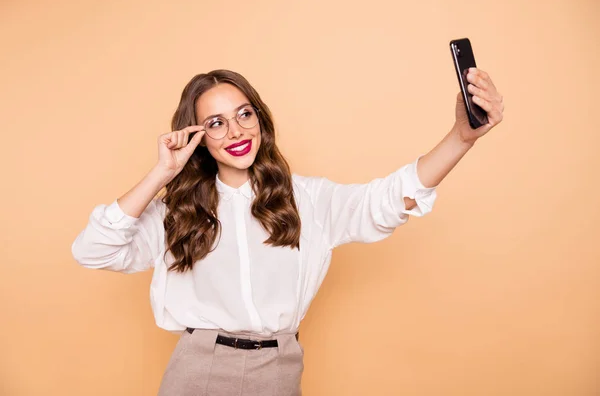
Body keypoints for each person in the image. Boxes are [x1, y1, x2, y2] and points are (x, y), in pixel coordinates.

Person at [71, 68, 504, 395]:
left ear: (260, 118)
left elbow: (390, 198)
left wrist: (461, 138)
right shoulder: (177, 212)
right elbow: (92, 250)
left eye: (244, 114)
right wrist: (161, 173)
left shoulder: (308, 199)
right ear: (198, 136)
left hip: (278, 369)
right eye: (217, 123)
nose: (237, 131)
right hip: (197, 370)